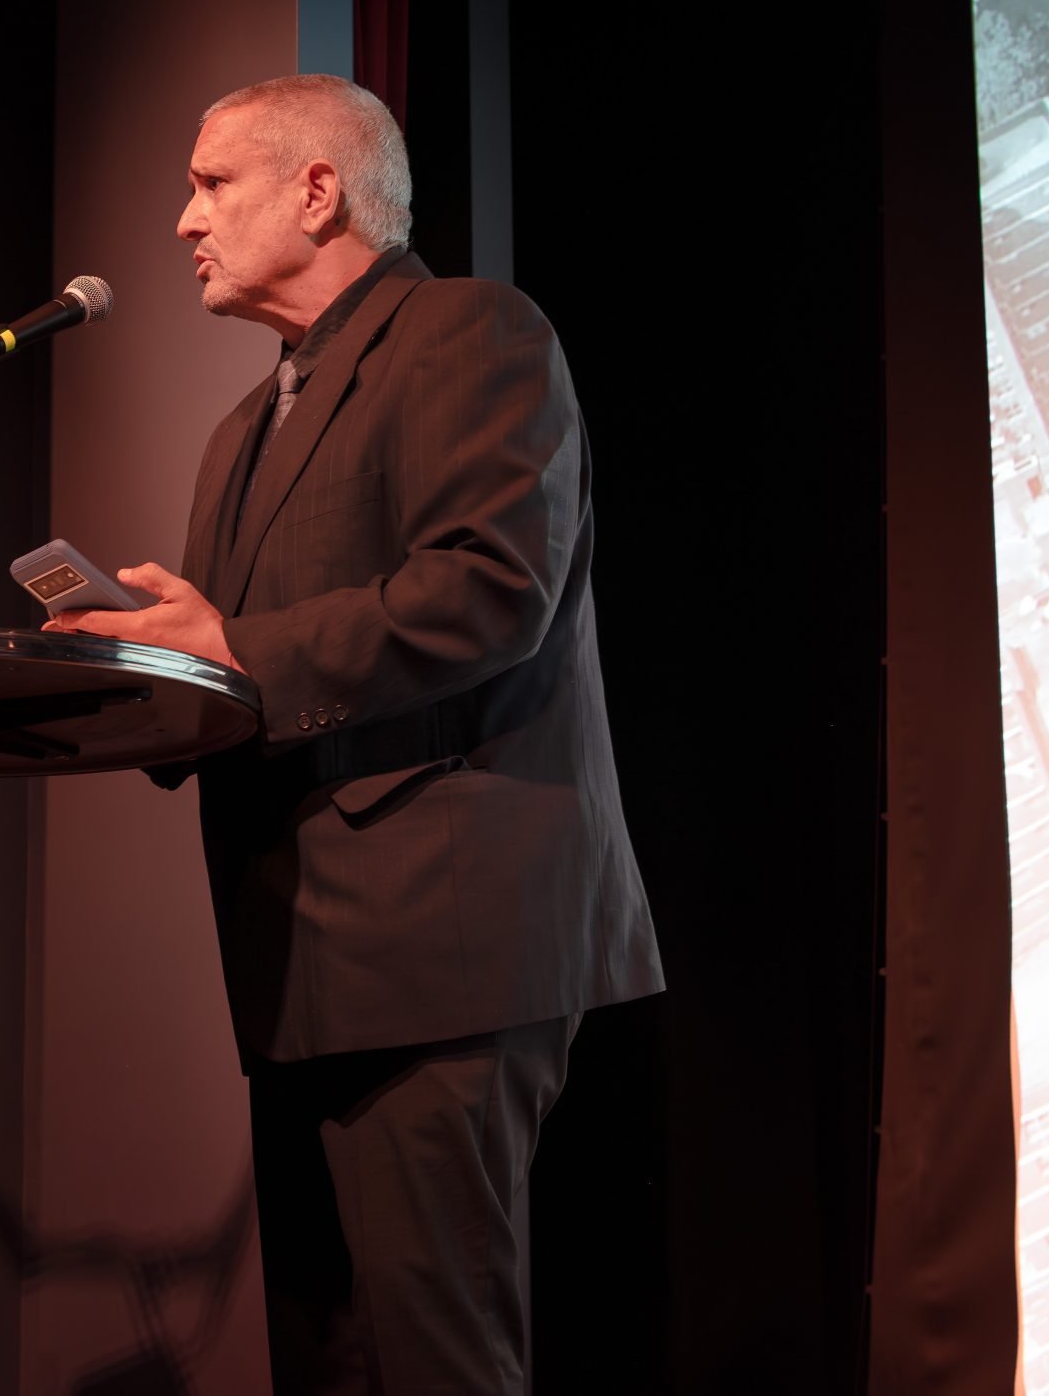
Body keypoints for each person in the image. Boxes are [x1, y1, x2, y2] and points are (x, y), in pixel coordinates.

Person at [45, 74, 663, 1394]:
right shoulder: (238, 434)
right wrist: (143, 675)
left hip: (445, 943)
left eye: (213, 182)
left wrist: (238, 652)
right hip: (297, 961)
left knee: (434, 1360)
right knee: (329, 1364)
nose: (180, 220)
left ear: (317, 191)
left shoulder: (472, 334)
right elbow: (235, 684)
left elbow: (494, 587)